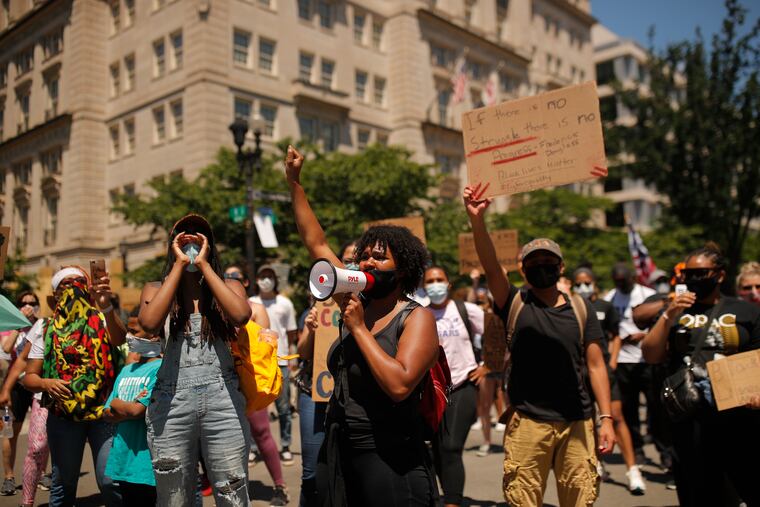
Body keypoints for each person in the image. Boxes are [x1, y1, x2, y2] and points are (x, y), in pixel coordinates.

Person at [285, 145, 439, 506]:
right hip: (342, 444)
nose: (367, 261)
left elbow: (400, 384)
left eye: (379, 257)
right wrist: (294, 183)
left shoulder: (416, 318)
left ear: (402, 270)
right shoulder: (355, 301)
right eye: (363, 255)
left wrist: (357, 329)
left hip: (390, 453)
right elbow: (317, 243)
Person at [463, 183, 614, 507]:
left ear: (561, 267)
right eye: (534, 261)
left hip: (577, 422)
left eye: (549, 261)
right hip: (528, 423)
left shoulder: (581, 308)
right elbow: (490, 265)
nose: (541, 266)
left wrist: (607, 419)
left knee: (580, 500)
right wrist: (477, 220)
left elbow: (597, 365)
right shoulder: (514, 301)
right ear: (523, 268)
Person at [138, 214, 253, 506]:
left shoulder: (229, 285)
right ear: (172, 243)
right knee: (174, 496)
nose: (190, 237)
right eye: (183, 233)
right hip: (171, 403)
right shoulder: (156, 288)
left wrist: (202, 265)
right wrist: (179, 265)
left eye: (198, 233)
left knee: (232, 492)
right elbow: (149, 323)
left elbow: (240, 315)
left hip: (223, 402)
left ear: (210, 245)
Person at [641, 243, 760, 507]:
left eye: (701, 273)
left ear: (719, 275)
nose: (694, 279)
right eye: (688, 273)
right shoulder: (676, 310)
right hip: (690, 418)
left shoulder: (746, 311)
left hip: (737, 416)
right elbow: (650, 354)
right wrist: (668, 315)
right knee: (697, 493)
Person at [23, 266, 126, 507]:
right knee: (64, 482)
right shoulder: (46, 327)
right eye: (65, 285)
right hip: (63, 416)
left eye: (79, 283)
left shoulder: (101, 318)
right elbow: (29, 377)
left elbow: (120, 339)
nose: (72, 289)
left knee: (110, 481)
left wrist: (107, 306)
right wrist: (45, 383)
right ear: (57, 294)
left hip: (102, 413)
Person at [572, 268, 645, 495]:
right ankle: (597, 462)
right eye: (579, 283)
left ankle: (633, 469)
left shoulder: (605, 306)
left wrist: (612, 362)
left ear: (594, 283)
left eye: (587, 282)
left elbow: (616, 336)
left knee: (616, 417)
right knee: (588, 420)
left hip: (603, 371)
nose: (583, 286)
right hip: (579, 373)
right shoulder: (570, 305)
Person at [223, 264, 290, 507]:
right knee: (229, 439)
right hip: (224, 382)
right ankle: (235, 490)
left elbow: (263, 348)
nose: (230, 279)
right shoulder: (216, 308)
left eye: (235, 276)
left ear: (245, 282)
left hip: (250, 381)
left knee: (262, 433)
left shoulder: (257, 309)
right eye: (226, 276)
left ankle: (280, 486)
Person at [295, 241, 355, 507]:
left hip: (353, 397)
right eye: (346, 259)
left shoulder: (375, 305)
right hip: (315, 393)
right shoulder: (320, 298)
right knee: (312, 470)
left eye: (357, 258)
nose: (351, 264)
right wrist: (310, 328)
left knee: (347, 468)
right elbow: (303, 353)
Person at [424, 266, 485, 507]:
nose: (435, 284)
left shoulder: (466, 310)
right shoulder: (420, 314)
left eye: (440, 279)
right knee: (436, 449)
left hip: (463, 385)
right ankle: (444, 495)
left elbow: (498, 332)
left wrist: (487, 365)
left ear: (448, 284)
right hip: (432, 391)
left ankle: (452, 502)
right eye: (430, 281)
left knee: (450, 446)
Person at [0, 292, 53, 505]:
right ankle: (9, 477)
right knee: (9, 431)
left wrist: (32, 323)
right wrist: (19, 325)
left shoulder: (42, 325)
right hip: (17, 386)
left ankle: (40, 473)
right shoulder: (13, 328)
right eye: (24, 303)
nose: (28, 306)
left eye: (32, 303)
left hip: (39, 382)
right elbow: (6, 350)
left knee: (44, 435)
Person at [603, 263, 656, 466]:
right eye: (617, 282)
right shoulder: (610, 298)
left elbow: (662, 323)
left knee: (655, 407)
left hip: (646, 359)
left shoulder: (648, 295)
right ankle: (637, 448)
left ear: (633, 278)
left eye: (623, 281)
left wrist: (644, 335)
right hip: (623, 361)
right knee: (629, 410)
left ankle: (665, 452)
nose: (620, 285)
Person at [102, 327, 163, 504]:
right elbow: (107, 411)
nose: (130, 337)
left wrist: (118, 405)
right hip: (123, 460)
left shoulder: (160, 368)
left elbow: (138, 411)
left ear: (153, 335)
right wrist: (124, 407)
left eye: (135, 331)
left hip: (147, 464)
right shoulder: (126, 371)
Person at [250, 265, 298, 466]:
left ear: (275, 280)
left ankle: (285, 446)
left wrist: (292, 357)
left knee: (284, 406)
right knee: (254, 407)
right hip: (256, 363)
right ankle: (253, 448)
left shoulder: (284, 303)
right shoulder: (251, 303)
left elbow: (291, 332)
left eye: (269, 276)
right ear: (257, 279)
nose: (266, 280)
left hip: (280, 361)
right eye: (262, 276)